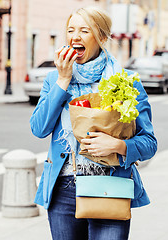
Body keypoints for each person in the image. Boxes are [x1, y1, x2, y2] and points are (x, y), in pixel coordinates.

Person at [30, 6, 157, 240]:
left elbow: (149, 143)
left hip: (110, 186)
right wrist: (63, 80)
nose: (75, 36)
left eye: (84, 31)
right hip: (64, 191)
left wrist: (118, 146)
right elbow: (39, 128)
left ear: (101, 37)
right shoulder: (55, 79)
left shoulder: (126, 81)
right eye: (70, 30)